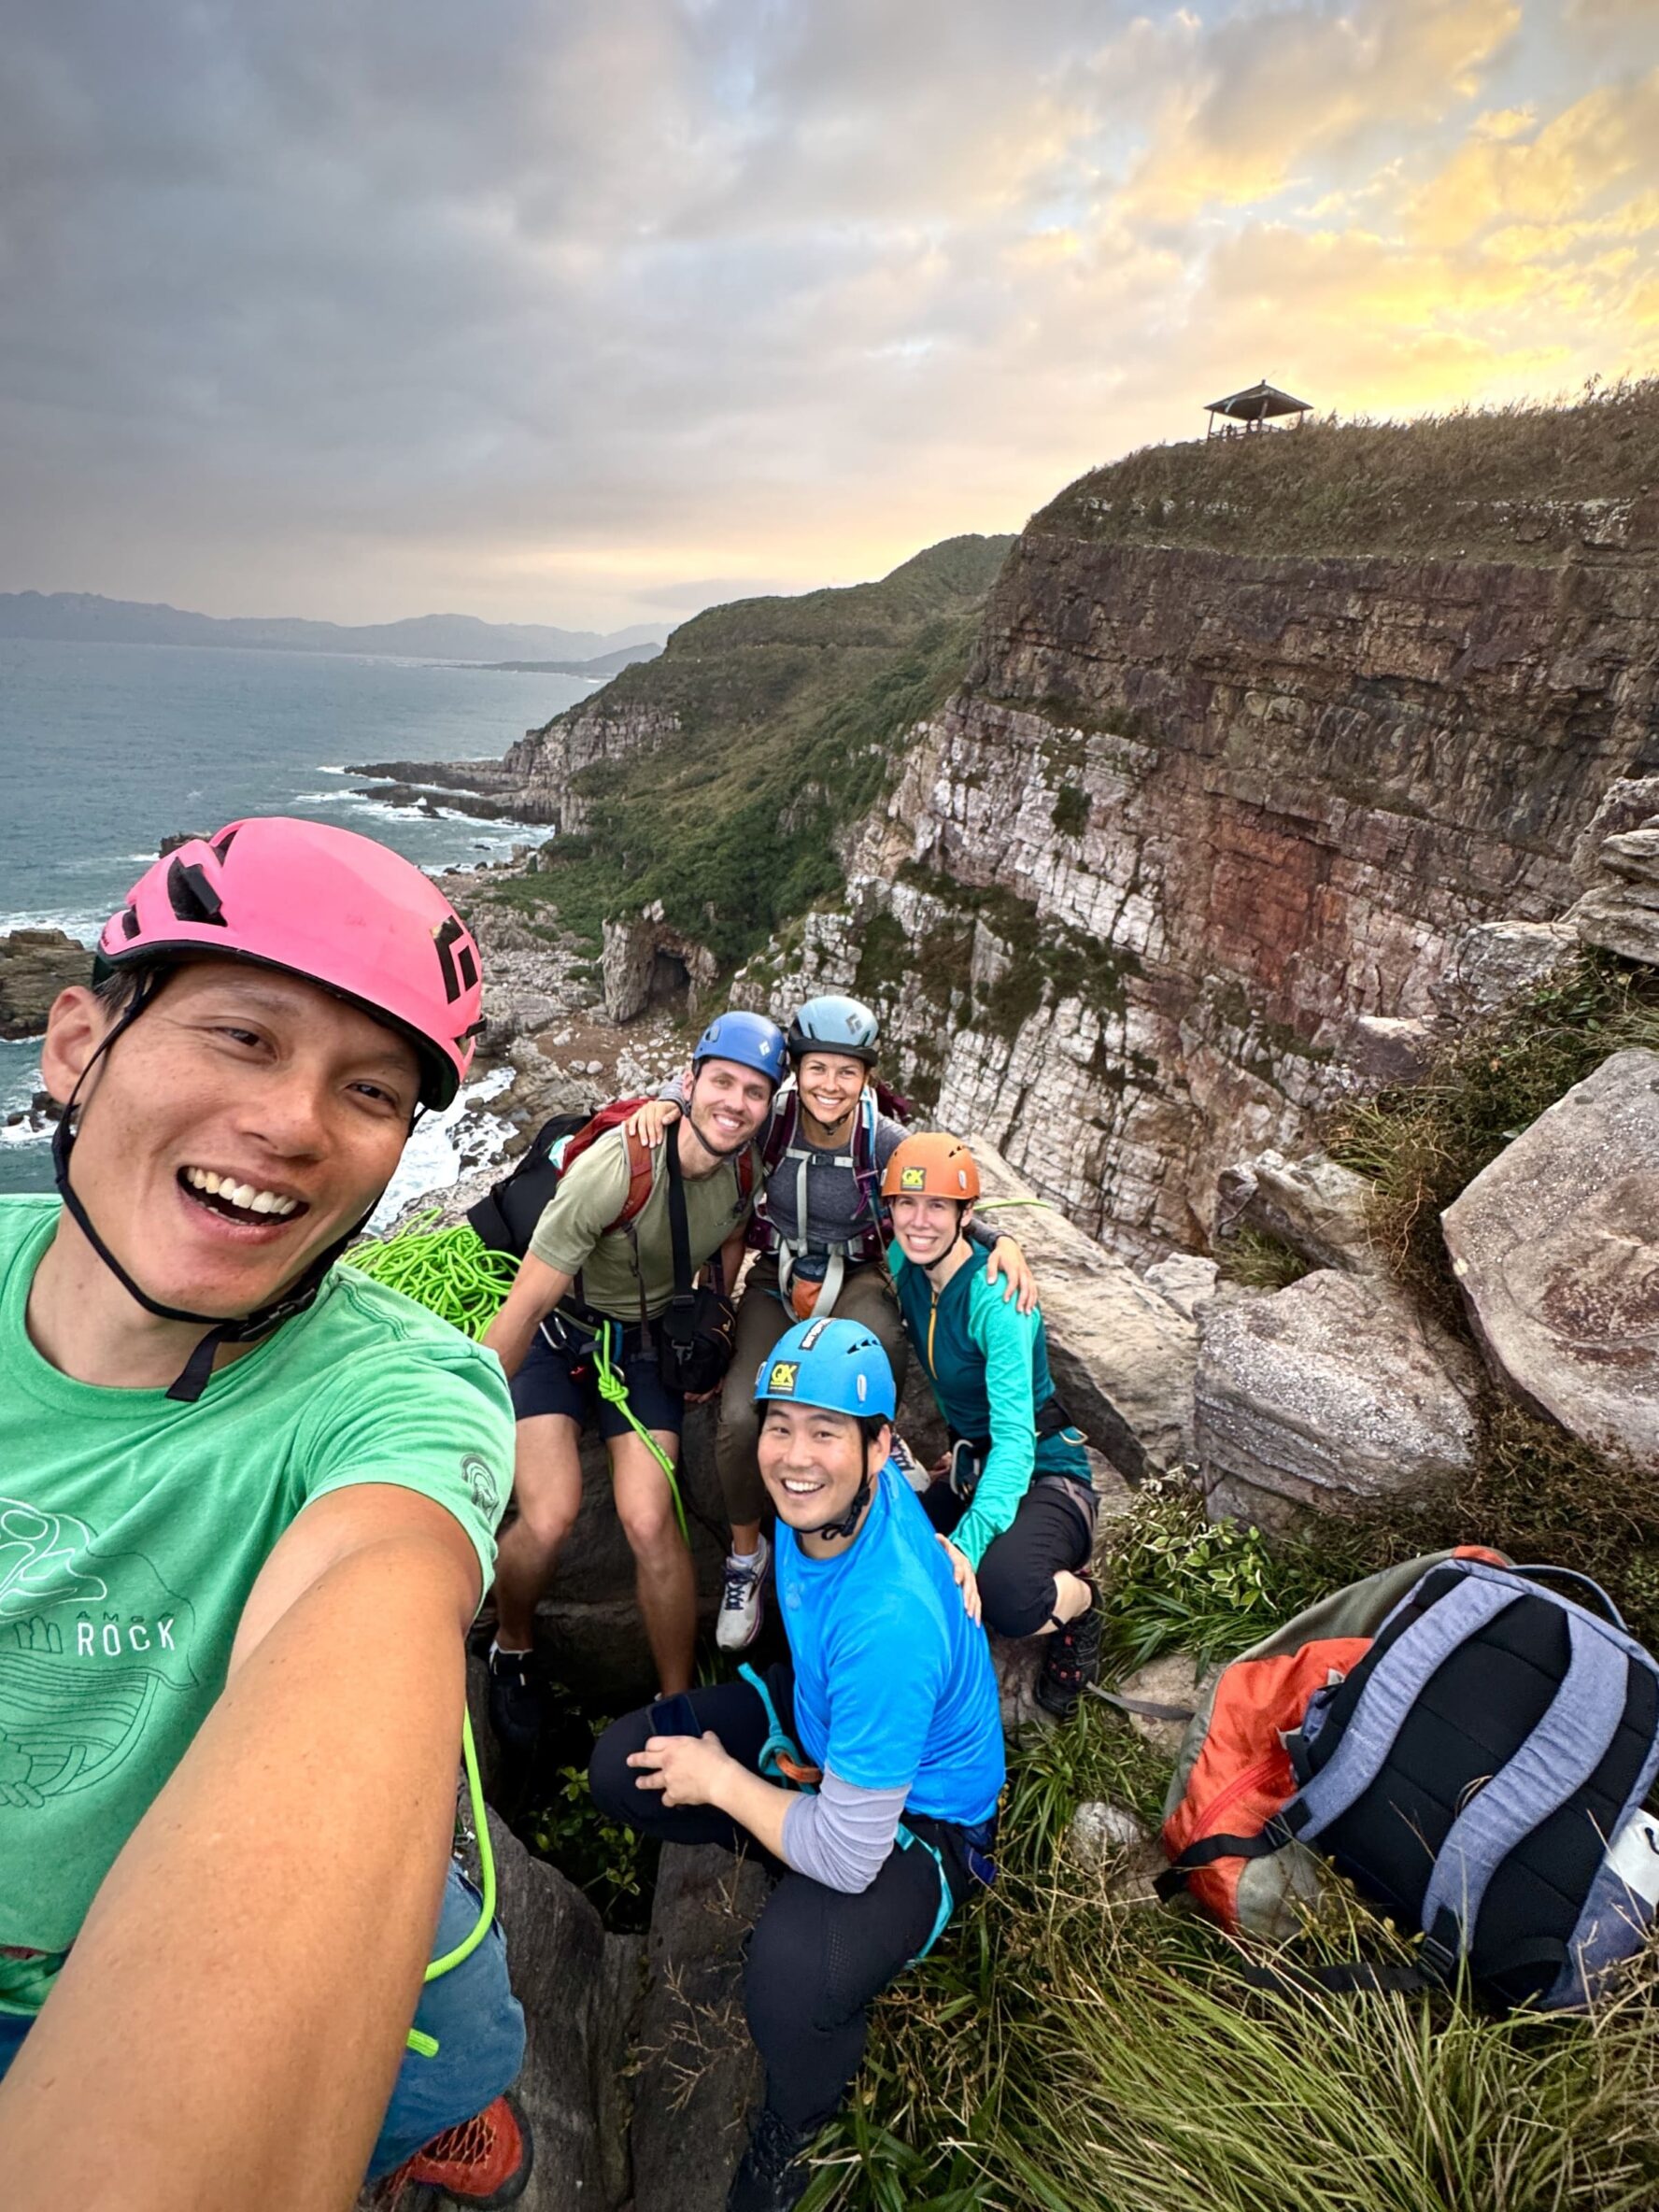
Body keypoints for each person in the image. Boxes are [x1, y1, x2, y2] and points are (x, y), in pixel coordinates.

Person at [0, 820, 530, 2209]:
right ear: (73, 1047)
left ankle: (437, 2119)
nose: (295, 1123)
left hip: (119, 1980)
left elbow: (383, 1583)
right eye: (243, 1036)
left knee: (441, 2062)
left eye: (367, 1090)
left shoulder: (403, 1399)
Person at [588, 1317, 1004, 2212]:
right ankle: (791, 1833)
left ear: (876, 1444)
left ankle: (798, 2119)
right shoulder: (833, 1499)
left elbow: (858, 1853)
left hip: (923, 1821)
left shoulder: (888, 1621)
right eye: (781, 1425)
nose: (794, 1457)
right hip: (817, 1720)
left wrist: (725, 1782)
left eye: (825, 1432)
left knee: (785, 1981)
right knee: (623, 1765)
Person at [629, 993, 1033, 1653]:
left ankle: (880, 1451)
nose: (830, 1085)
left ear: (867, 1078)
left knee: (873, 1354)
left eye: (847, 1072)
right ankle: (745, 1555)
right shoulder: (773, 1121)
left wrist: (999, 1241)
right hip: (777, 1278)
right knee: (740, 1415)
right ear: (796, 1069)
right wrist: (666, 1105)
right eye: (817, 1068)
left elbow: (934, 1193)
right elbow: (715, 1106)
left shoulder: (883, 1138)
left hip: (858, 1277)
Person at [479, 1010, 787, 1737]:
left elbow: (736, 1227)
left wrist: (714, 1296)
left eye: (753, 1092)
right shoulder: (615, 1171)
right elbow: (527, 1305)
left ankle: (673, 1703)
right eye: (722, 1083)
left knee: (650, 1520)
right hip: (563, 1338)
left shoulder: (747, 1165)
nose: (735, 1104)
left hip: (644, 1345)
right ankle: (511, 1645)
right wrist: (465, 1412)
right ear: (689, 1083)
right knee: (550, 1515)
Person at [884, 1132, 1102, 1719]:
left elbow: (1013, 1443)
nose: (920, 1220)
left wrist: (967, 1544)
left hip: (1048, 1474)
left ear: (964, 1213)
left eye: (938, 1206)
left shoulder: (997, 1301)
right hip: (971, 1470)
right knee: (892, 1546)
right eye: (907, 1203)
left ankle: (1083, 1605)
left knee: (1007, 1596)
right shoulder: (904, 1262)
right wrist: (998, 1235)